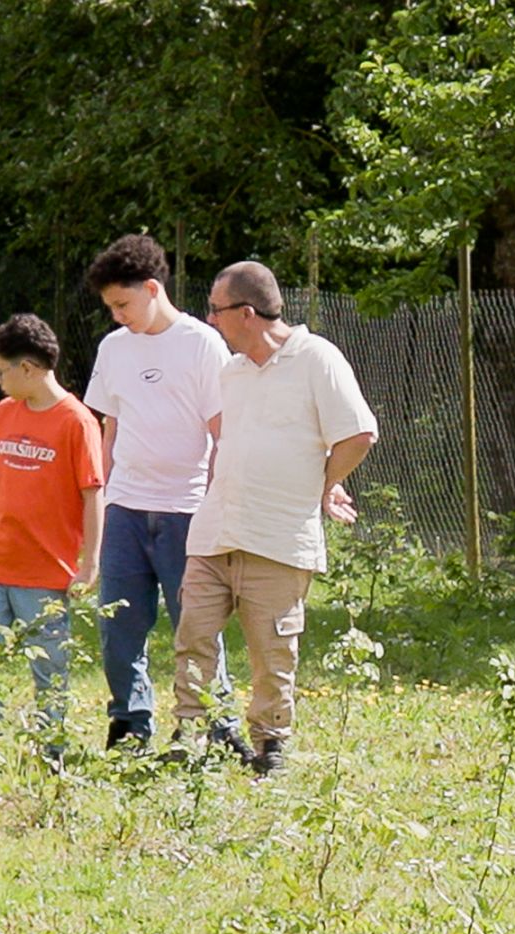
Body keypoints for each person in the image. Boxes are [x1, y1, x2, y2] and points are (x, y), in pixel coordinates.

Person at [171, 261, 378, 775]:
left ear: (246, 313)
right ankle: (191, 737)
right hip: (216, 529)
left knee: (271, 653)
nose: (210, 321)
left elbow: (357, 434)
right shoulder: (232, 372)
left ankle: (270, 748)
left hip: (278, 536)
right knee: (192, 636)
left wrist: (322, 485)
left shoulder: (317, 358)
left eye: (216, 311)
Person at [82, 234, 232, 751]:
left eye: (122, 304)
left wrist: (213, 508)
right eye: (109, 307)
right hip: (125, 507)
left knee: (195, 625)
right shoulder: (113, 348)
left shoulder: (202, 343)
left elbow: (222, 432)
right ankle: (130, 723)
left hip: (186, 510)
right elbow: (109, 428)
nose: (117, 315)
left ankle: (214, 721)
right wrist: (101, 500)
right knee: (118, 626)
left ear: (152, 288)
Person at [0, 313, 105, 759]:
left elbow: (93, 494)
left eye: (1, 371)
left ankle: (50, 749)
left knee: (49, 666)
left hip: (45, 573)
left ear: (29, 369)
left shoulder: (76, 422)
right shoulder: (5, 413)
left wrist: (88, 563)